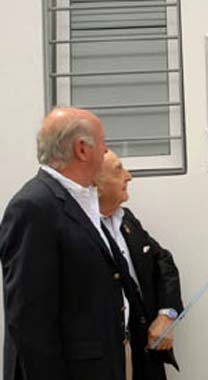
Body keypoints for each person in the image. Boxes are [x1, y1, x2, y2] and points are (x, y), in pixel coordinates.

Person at [0, 107, 147, 380]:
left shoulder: (85, 202)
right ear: (82, 149)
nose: (105, 151)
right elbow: (29, 320)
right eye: (103, 142)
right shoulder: (34, 207)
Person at [95, 150, 183, 380]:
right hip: (108, 360)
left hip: (146, 356)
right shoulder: (82, 231)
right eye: (118, 170)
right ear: (95, 183)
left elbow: (163, 261)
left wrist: (168, 314)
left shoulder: (127, 219)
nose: (129, 176)